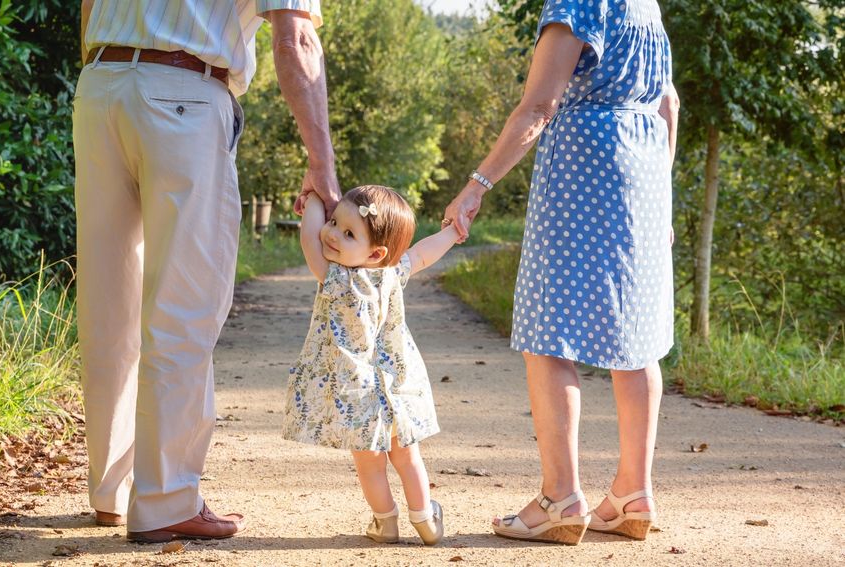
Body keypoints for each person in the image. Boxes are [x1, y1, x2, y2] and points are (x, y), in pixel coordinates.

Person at [74, 1, 341, 543]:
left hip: (99, 86)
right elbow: (295, 41)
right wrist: (322, 164)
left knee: (108, 305)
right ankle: (166, 499)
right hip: (183, 96)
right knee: (183, 307)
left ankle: (114, 491)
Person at [444, 0, 679, 545]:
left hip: (585, 167)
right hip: (644, 170)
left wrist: (477, 185)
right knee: (637, 337)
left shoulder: (578, 2)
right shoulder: (646, 6)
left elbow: (539, 106)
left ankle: (561, 497)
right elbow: (667, 102)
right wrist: (661, 200)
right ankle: (632, 493)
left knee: (551, 331)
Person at [282, 186, 459, 545]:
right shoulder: (392, 272)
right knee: (408, 458)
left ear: (377, 252)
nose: (330, 233)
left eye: (347, 233)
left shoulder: (335, 277)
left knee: (370, 465)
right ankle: (425, 518)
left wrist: (315, 196)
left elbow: (307, 240)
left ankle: (385, 522)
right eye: (333, 222)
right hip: (395, 383)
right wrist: (452, 233)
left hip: (355, 389)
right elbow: (422, 254)